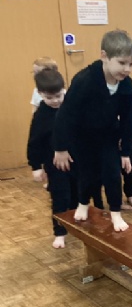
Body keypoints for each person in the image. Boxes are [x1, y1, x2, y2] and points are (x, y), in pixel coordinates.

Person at [53, 30, 132, 232]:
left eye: (131, 64)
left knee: (112, 174)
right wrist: (60, 148)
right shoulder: (84, 80)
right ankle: (83, 203)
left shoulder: (126, 84)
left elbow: (129, 120)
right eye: (122, 63)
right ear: (104, 56)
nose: (127, 69)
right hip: (82, 137)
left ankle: (116, 212)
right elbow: (65, 115)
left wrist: (126, 151)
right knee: (87, 173)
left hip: (107, 136)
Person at [27, 68, 76, 249]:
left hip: (76, 162)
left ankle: (76, 226)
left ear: (64, 90)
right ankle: (60, 233)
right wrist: (36, 166)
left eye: (58, 96)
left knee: (77, 195)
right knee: (60, 197)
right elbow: (34, 142)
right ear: (40, 94)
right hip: (54, 165)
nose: (55, 101)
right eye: (50, 97)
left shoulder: (71, 107)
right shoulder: (41, 116)